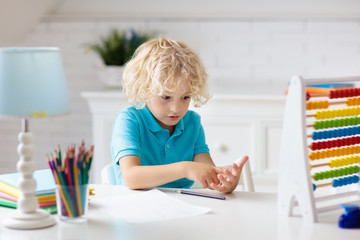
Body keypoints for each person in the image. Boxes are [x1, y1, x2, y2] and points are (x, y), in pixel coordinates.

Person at [110, 37, 248, 193]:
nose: (176, 108)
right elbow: (131, 177)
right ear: (144, 90)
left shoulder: (192, 123)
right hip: (134, 207)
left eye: (185, 97)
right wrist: (185, 169)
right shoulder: (130, 120)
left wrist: (223, 182)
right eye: (166, 97)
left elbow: (207, 173)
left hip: (180, 207)